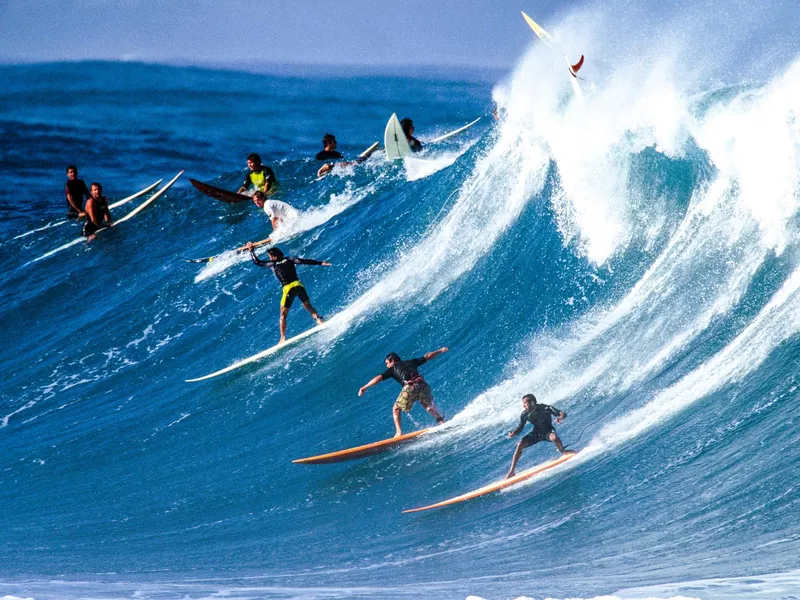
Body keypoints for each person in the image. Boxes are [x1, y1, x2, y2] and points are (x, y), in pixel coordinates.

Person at [246, 243, 331, 343]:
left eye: (270, 256)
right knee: (308, 305)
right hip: (298, 285)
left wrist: (251, 251)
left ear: (274, 256)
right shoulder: (290, 259)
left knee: (283, 314)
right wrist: (321, 263)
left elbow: (258, 262)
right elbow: (304, 261)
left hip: (288, 289)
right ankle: (319, 320)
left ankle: (282, 338)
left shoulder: (272, 264)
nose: (269, 258)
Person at [358, 347, 448, 437]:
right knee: (427, 405)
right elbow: (427, 356)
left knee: (396, 409)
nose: (387, 366)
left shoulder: (392, 369)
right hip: (423, 385)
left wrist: (365, 387)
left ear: (392, 361)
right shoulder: (411, 362)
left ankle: (398, 432)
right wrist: (440, 350)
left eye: (387, 363)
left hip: (411, 386)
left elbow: (378, 378)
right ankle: (441, 421)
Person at [506, 394, 571, 479]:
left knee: (554, 437)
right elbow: (520, 427)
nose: (523, 406)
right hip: (536, 433)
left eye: (525, 403)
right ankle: (512, 471)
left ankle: (563, 451)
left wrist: (561, 417)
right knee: (520, 444)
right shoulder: (525, 414)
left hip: (548, 431)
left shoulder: (545, 408)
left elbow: (562, 413)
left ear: (532, 403)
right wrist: (514, 433)